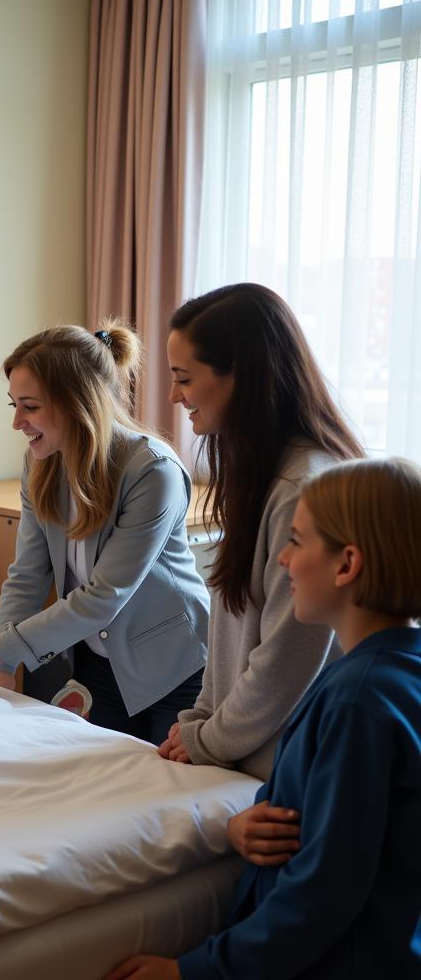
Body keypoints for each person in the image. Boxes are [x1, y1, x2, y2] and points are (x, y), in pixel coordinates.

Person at [106, 457, 421, 980]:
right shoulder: (387, 672)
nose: (281, 562)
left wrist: (192, 970)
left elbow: (322, 895)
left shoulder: (356, 702)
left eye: (295, 542)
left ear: (346, 565)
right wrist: (252, 818)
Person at [0, 323, 208, 747]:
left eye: (30, 407)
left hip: (171, 666)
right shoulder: (41, 464)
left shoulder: (152, 472)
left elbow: (101, 598)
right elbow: (28, 575)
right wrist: (2, 674)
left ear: (77, 403)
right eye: (14, 405)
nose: (18, 422)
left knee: (172, 792)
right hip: (95, 663)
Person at [157, 283, 363, 779]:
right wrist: (201, 720)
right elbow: (230, 628)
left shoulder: (302, 487)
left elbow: (288, 658)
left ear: (241, 378)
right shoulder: (265, 474)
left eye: (185, 378)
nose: (173, 395)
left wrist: (209, 737)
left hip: (288, 767)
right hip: (250, 755)